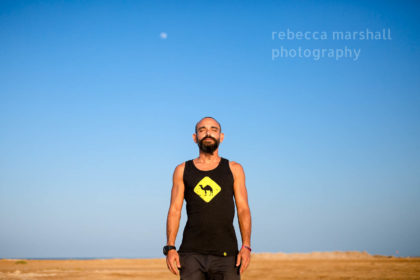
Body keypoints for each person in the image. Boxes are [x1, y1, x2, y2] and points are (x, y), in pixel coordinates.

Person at [164, 116, 252, 280]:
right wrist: (170, 247)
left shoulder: (234, 169)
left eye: (213, 129)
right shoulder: (182, 170)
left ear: (221, 136)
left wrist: (246, 246)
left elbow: (243, 209)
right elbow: (174, 210)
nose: (208, 133)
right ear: (195, 137)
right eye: (202, 130)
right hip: (190, 255)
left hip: (226, 255)